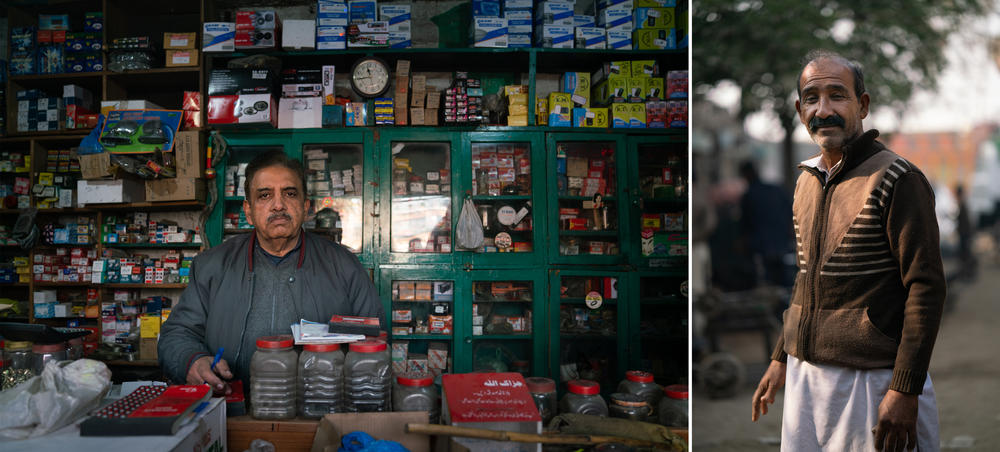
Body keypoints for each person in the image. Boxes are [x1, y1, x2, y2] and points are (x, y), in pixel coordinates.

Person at [751, 50, 946, 452]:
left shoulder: (899, 179)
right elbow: (806, 277)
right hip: (807, 379)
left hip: (872, 381)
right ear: (799, 109)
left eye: (837, 95)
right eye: (811, 98)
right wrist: (781, 357)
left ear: (863, 104)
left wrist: (905, 390)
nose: (823, 109)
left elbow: (925, 288)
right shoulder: (806, 180)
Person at [158, 150, 384, 393]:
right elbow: (176, 334)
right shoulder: (212, 266)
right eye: (265, 195)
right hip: (230, 409)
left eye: (290, 193)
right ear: (248, 210)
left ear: (306, 206)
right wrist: (192, 359)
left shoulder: (344, 265)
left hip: (318, 410)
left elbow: (375, 335)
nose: (278, 205)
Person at [739, 160, 794, 287]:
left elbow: (745, 225)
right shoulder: (777, 189)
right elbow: (792, 212)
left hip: (761, 246)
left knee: (767, 282)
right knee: (785, 281)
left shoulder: (749, 195)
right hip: (781, 243)